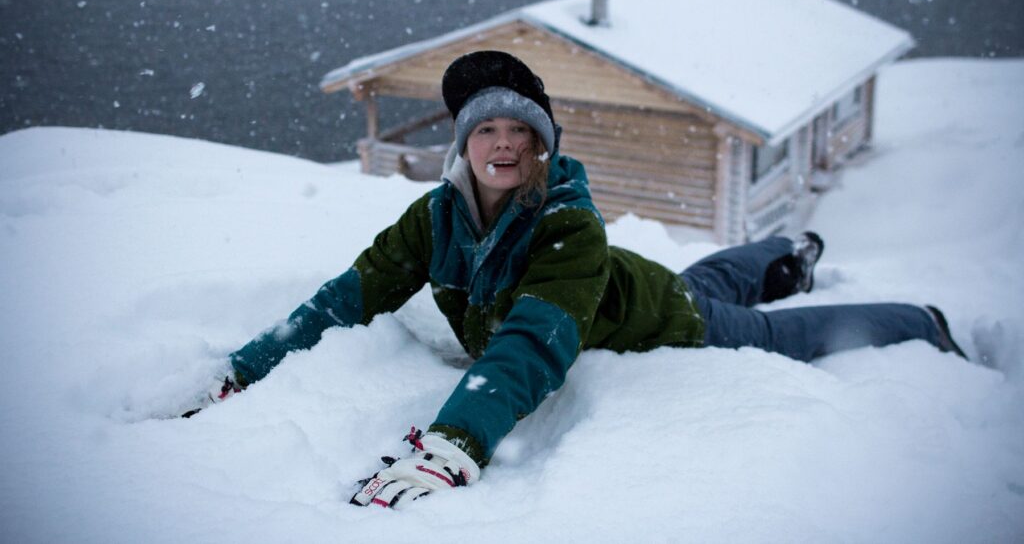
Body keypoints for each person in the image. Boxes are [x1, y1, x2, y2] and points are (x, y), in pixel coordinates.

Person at [182, 50, 967, 508]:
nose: (501, 143)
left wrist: (454, 443)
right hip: (638, 279)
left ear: (542, 143)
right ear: (463, 143)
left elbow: (532, 340)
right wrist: (246, 367)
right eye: (484, 127)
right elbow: (348, 295)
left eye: (518, 129)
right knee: (713, 272)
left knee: (760, 325)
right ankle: (790, 249)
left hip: (664, 316)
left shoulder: (567, 221)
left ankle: (919, 319)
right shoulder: (435, 218)